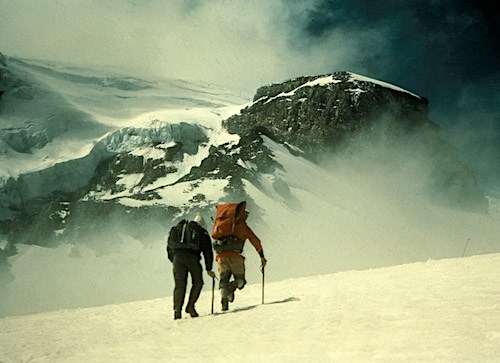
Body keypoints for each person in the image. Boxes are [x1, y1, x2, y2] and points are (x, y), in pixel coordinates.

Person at [212, 201, 267, 311]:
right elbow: (255, 240)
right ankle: (230, 288)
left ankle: (224, 302)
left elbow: (214, 236)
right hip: (236, 257)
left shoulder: (219, 224)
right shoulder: (242, 226)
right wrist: (261, 256)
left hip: (221, 257)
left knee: (223, 280)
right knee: (241, 281)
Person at [167, 212, 215, 320]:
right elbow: (208, 251)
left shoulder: (178, 229)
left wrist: (174, 260)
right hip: (192, 258)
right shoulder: (201, 231)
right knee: (198, 282)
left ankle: (177, 312)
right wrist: (209, 268)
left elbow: (169, 248)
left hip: (177, 258)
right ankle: (190, 306)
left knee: (179, 285)